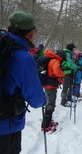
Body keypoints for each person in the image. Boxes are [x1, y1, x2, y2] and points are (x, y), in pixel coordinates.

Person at [0, 11, 46, 154]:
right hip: (5, 125)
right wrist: (43, 99)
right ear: (31, 33)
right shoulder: (22, 58)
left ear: (8, 27)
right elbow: (36, 100)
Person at [41, 49, 66, 132]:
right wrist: (63, 73)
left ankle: (47, 122)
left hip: (47, 84)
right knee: (51, 104)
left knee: (49, 103)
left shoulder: (51, 59)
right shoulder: (56, 60)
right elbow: (56, 72)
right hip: (50, 85)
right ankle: (46, 125)